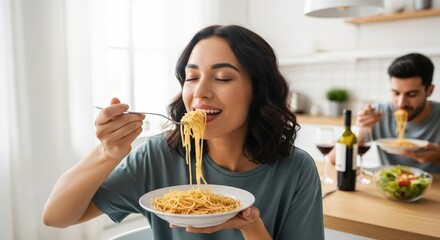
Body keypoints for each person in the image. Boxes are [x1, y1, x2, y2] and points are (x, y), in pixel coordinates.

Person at [42, 25, 324, 240]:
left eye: (223, 77)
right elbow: (56, 216)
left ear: (258, 90)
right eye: (191, 77)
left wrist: (252, 227)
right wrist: (107, 152)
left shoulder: (295, 169)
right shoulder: (159, 156)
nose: (200, 91)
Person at [350, 53, 440, 173]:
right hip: (388, 185)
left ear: (429, 90)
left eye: (411, 94)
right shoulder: (378, 113)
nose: (401, 103)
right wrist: (360, 129)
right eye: (396, 93)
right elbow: (333, 159)